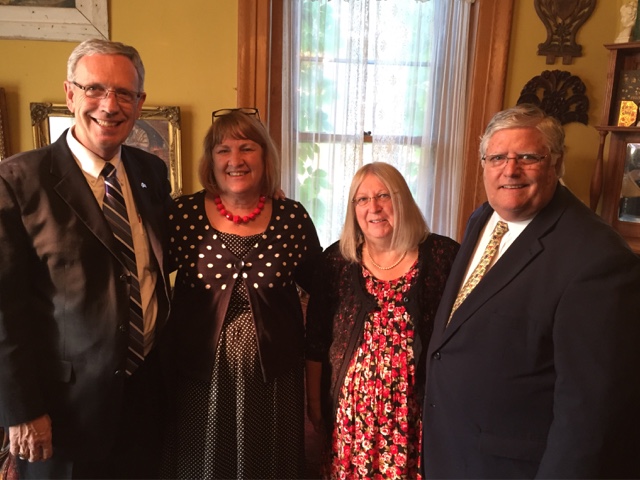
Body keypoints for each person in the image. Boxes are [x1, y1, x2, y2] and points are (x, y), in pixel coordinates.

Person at [423, 104, 640, 478]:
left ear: (556, 162)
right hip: (453, 452)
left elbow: (590, 414)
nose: (510, 170)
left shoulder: (598, 258)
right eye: (497, 158)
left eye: (527, 157)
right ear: (484, 164)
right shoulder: (483, 218)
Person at [0, 38, 173, 479]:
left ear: (140, 102)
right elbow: (4, 310)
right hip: (63, 410)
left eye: (124, 93)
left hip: (145, 396)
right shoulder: (18, 181)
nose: (109, 105)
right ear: (70, 93)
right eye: (94, 88)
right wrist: (22, 410)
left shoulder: (151, 172)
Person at [161, 108, 322, 479]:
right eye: (223, 150)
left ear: (265, 157)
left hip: (274, 380)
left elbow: (325, 288)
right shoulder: (182, 216)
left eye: (247, 148)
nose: (235, 160)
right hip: (199, 378)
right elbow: (143, 277)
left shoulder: (292, 218)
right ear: (211, 160)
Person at [305, 162, 459, 479]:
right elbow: (317, 340)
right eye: (362, 199)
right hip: (351, 422)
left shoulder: (443, 255)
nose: (373, 207)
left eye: (384, 195)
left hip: (416, 420)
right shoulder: (336, 260)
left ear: (403, 200)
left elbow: (463, 335)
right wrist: (315, 403)